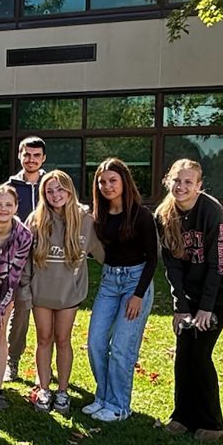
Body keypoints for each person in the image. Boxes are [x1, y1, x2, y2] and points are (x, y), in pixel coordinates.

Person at [153, 159, 223, 441]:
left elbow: (218, 264)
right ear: (168, 181)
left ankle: (212, 423)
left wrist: (205, 308)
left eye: (189, 182)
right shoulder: (164, 215)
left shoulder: (211, 211)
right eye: (177, 181)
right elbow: (172, 267)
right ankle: (182, 417)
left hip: (217, 295)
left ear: (199, 186)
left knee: (200, 356)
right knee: (184, 356)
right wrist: (181, 307)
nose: (182, 186)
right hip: (189, 296)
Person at [22, 171, 103, 414]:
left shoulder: (86, 221)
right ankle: (44, 388)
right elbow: (24, 259)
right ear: (43, 195)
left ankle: (63, 391)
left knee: (63, 340)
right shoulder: (36, 220)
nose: (56, 195)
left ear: (70, 191)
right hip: (41, 293)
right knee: (44, 339)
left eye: (60, 189)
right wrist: (25, 290)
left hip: (69, 294)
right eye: (50, 191)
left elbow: (103, 253)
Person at [86, 158, 158, 423]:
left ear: (124, 182)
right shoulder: (99, 216)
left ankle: (119, 406)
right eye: (102, 182)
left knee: (121, 348)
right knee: (95, 343)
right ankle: (103, 397)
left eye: (112, 181)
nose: (107, 186)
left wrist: (138, 295)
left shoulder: (141, 215)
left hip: (135, 282)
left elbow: (153, 259)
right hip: (108, 282)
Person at [0, 184, 32, 411]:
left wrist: (0, 307)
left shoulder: (23, 235)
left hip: (6, 286)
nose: (3, 209)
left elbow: (14, 275)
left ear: (16, 207)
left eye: (8, 205)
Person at [5, 136, 47, 382]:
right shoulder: (10, 186)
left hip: (46, 259)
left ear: (43, 158)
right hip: (19, 257)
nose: (31, 160)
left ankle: (47, 362)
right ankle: (13, 360)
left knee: (47, 313)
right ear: (20, 156)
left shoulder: (51, 184)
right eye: (27, 155)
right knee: (20, 309)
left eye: (36, 155)